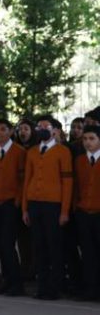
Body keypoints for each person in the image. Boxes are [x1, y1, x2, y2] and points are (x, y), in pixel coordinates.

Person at [23, 126, 74, 300]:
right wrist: (25, 208)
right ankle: (42, 286)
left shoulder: (62, 151)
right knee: (39, 246)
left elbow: (67, 182)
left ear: (54, 131)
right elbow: (27, 180)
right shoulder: (32, 151)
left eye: (46, 127)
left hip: (54, 205)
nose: (42, 130)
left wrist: (64, 211)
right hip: (34, 203)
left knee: (54, 246)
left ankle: (55, 287)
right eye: (40, 127)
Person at [0, 118, 26, 296]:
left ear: (10, 132)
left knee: (8, 243)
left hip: (11, 202)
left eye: (3, 129)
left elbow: (22, 179)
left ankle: (16, 282)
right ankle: (6, 279)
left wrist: (18, 200)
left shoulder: (19, 152)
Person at [74, 126, 100, 301]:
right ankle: (90, 288)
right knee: (87, 252)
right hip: (84, 212)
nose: (88, 142)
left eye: (92, 138)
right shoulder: (79, 161)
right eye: (85, 139)